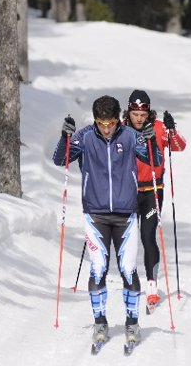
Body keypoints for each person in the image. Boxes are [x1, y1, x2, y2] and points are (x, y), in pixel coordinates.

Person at [53, 95, 162, 346]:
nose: (106, 128)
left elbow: (154, 161)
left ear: (118, 120)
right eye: (101, 123)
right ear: (95, 120)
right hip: (95, 215)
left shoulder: (130, 137)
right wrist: (65, 136)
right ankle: (100, 321)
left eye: (111, 123)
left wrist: (151, 138)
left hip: (126, 215)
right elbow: (61, 159)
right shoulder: (85, 136)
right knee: (98, 269)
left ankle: (132, 323)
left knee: (128, 270)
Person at [121, 89, 186, 310]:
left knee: (148, 236)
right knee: (127, 240)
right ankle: (130, 282)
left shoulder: (158, 128)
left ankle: (151, 286)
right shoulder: (120, 130)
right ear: (128, 112)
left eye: (143, 114)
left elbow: (179, 146)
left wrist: (172, 129)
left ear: (149, 113)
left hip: (152, 192)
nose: (138, 118)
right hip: (127, 192)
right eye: (135, 113)